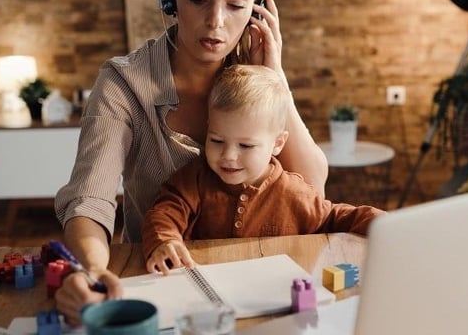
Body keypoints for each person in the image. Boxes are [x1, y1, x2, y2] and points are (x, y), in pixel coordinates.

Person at [53, 0, 329, 324]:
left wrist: (275, 77)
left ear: (257, 9)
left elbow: (313, 185)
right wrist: (92, 271)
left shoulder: (257, 74)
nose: (216, 22)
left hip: (262, 282)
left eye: (236, 5)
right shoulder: (123, 82)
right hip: (160, 281)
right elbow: (90, 201)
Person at [143, 65, 385, 274]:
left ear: (277, 143)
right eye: (216, 140)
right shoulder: (194, 180)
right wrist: (165, 241)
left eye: (245, 145)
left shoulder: (294, 193)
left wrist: (385, 226)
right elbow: (164, 213)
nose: (228, 155)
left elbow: (334, 218)